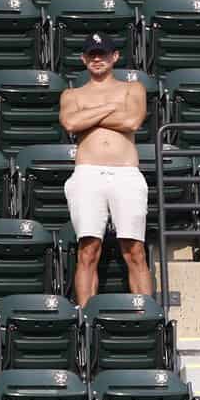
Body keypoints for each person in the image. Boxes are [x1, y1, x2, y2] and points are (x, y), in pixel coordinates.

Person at [59, 32, 152, 305]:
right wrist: (112, 107)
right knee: (88, 249)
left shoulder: (133, 89)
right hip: (88, 173)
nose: (97, 59)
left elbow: (133, 121)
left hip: (126, 173)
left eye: (102, 54)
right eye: (91, 54)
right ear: (83, 59)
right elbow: (70, 124)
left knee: (134, 249)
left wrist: (90, 114)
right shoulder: (71, 93)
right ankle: (86, 318)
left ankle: (144, 314)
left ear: (115, 57)